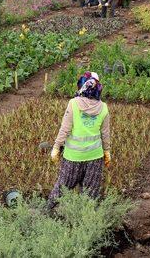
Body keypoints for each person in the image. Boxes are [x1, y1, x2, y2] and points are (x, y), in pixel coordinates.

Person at [48, 72, 110, 209]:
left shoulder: (74, 104)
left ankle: (47, 212)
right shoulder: (104, 107)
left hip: (73, 157)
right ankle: (85, 221)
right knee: (90, 194)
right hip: (95, 157)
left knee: (62, 188)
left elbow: (65, 128)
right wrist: (107, 152)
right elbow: (105, 133)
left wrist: (56, 147)